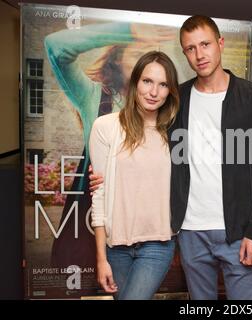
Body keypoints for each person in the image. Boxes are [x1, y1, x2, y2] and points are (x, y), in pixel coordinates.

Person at [90, 15, 252, 300]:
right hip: (190, 232)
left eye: (205, 44)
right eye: (190, 48)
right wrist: (105, 175)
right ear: (184, 53)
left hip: (240, 230)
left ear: (220, 43)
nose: (199, 54)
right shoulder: (177, 100)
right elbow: (146, 140)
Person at [44, 22, 175, 269]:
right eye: (137, 54)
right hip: (95, 216)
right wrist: (130, 30)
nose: (143, 67)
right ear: (118, 60)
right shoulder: (93, 96)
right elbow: (55, 47)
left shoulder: (166, 114)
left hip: (146, 227)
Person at [89, 51, 179, 299]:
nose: (154, 92)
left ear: (170, 91)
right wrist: (101, 258)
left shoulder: (175, 134)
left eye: (163, 85)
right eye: (147, 81)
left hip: (157, 245)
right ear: (135, 82)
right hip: (115, 248)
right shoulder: (106, 127)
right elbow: (99, 195)